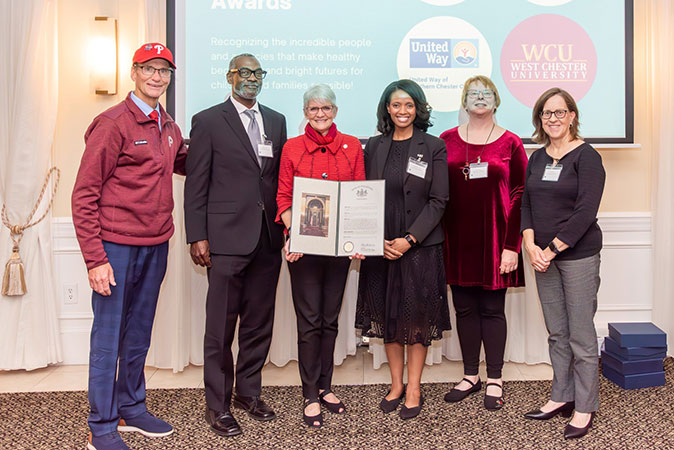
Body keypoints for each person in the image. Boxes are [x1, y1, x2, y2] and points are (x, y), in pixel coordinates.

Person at [72, 42, 186, 450]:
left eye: (164, 71)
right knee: (108, 337)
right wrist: (95, 259)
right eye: (150, 69)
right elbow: (83, 194)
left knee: (137, 336)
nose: (157, 77)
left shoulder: (168, 126)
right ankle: (101, 426)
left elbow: (188, 163)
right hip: (115, 248)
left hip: (156, 246)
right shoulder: (112, 123)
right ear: (134, 72)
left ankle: (131, 408)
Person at [184, 53, 287, 438]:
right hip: (225, 239)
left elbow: (275, 179)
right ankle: (217, 405)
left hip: (266, 237)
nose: (252, 79)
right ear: (230, 76)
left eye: (258, 73)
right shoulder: (209, 120)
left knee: (259, 324)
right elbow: (196, 183)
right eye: (245, 72)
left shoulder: (275, 120)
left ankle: (248, 393)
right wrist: (198, 234)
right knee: (221, 327)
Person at [356, 79, 451, 420]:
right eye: (396, 105)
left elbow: (439, 200)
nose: (402, 111)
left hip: (420, 246)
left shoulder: (433, 146)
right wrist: (376, 238)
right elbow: (364, 194)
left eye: (409, 105)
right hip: (382, 245)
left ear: (419, 109)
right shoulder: (375, 146)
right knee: (388, 316)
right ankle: (395, 384)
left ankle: (414, 387)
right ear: (387, 108)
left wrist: (409, 240)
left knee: (417, 321)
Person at [276, 84, 366, 427]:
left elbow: (359, 195)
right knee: (309, 321)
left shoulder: (353, 146)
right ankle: (309, 393)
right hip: (305, 251)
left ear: (336, 111)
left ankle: (326, 386)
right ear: (305, 113)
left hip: (340, 250)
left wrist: (359, 238)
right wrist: (292, 235)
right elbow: (284, 197)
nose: (320, 114)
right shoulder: (292, 148)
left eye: (325, 108)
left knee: (330, 319)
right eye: (313, 109)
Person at [521, 88, 605, 440]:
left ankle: (584, 405)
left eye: (559, 112)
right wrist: (529, 245)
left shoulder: (587, 157)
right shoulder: (538, 158)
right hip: (542, 257)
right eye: (546, 113)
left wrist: (551, 249)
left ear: (572, 115)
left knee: (581, 336)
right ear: (540, 119)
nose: (552, 119)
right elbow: (525, 203)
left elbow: (585, 212)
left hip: (577, 255)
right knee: (557, 332)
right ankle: (562, 396)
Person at [439, 76, 527, 411]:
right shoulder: (445, 140)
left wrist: (511, 246)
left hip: (496, 240)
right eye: (473, 93)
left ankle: (495, 379)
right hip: (456, 239)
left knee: (492, 310)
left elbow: (520, 195)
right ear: (463, 101)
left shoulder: (511, 143)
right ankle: (470, 375)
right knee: (463, 308)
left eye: (486, 93)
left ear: (496, 101)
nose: (480, 98)